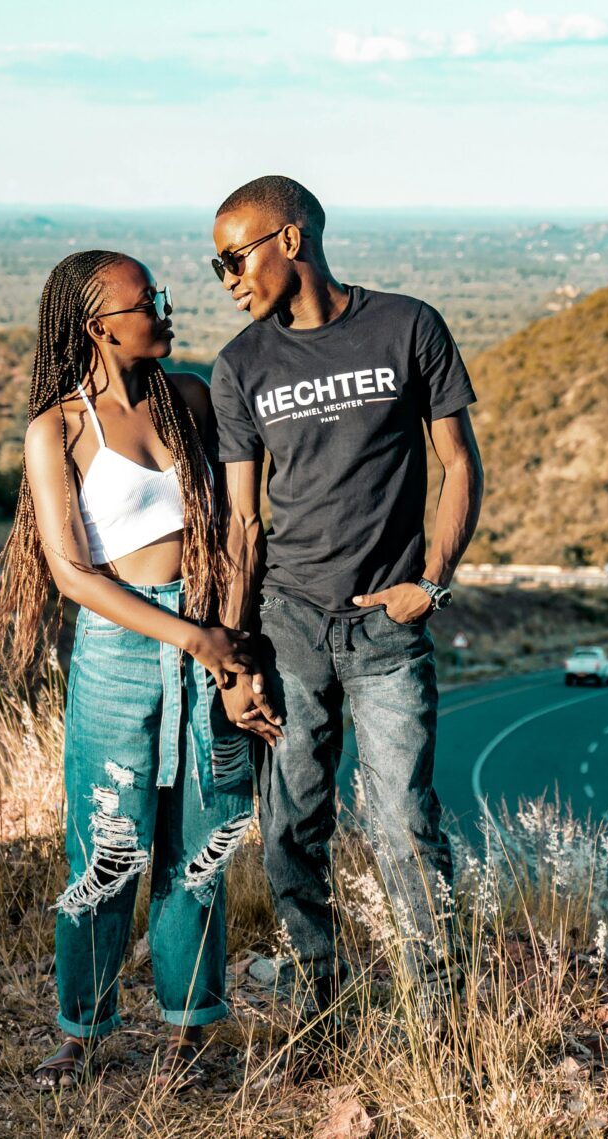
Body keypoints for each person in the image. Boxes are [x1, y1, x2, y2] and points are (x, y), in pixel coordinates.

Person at [208, 175, 484, 1055]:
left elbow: (458, 464)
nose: (228, 281)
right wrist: (237, 652)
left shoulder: (409, 326)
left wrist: (430, 581)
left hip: (387, 628)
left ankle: (438, 1024)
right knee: (291, 826)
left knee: (406, 824)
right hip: (289, 624)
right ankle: (323, 1005)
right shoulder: (240, 366)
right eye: (216, 267)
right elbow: (242, 523)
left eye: (234, 257)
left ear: (289, 240)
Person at [0, 250, 259, 1090]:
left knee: (197, 847)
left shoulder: (192, 400)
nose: (167, 311)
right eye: (149, 302)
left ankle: (189, 1034)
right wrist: (189, 639)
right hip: (122, 648)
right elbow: (73, 574)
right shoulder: (58, 429)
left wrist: (227, 643)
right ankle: (82, 1030)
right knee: (108, 848)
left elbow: (242, 524)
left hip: (210, 631)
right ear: (99, 324)